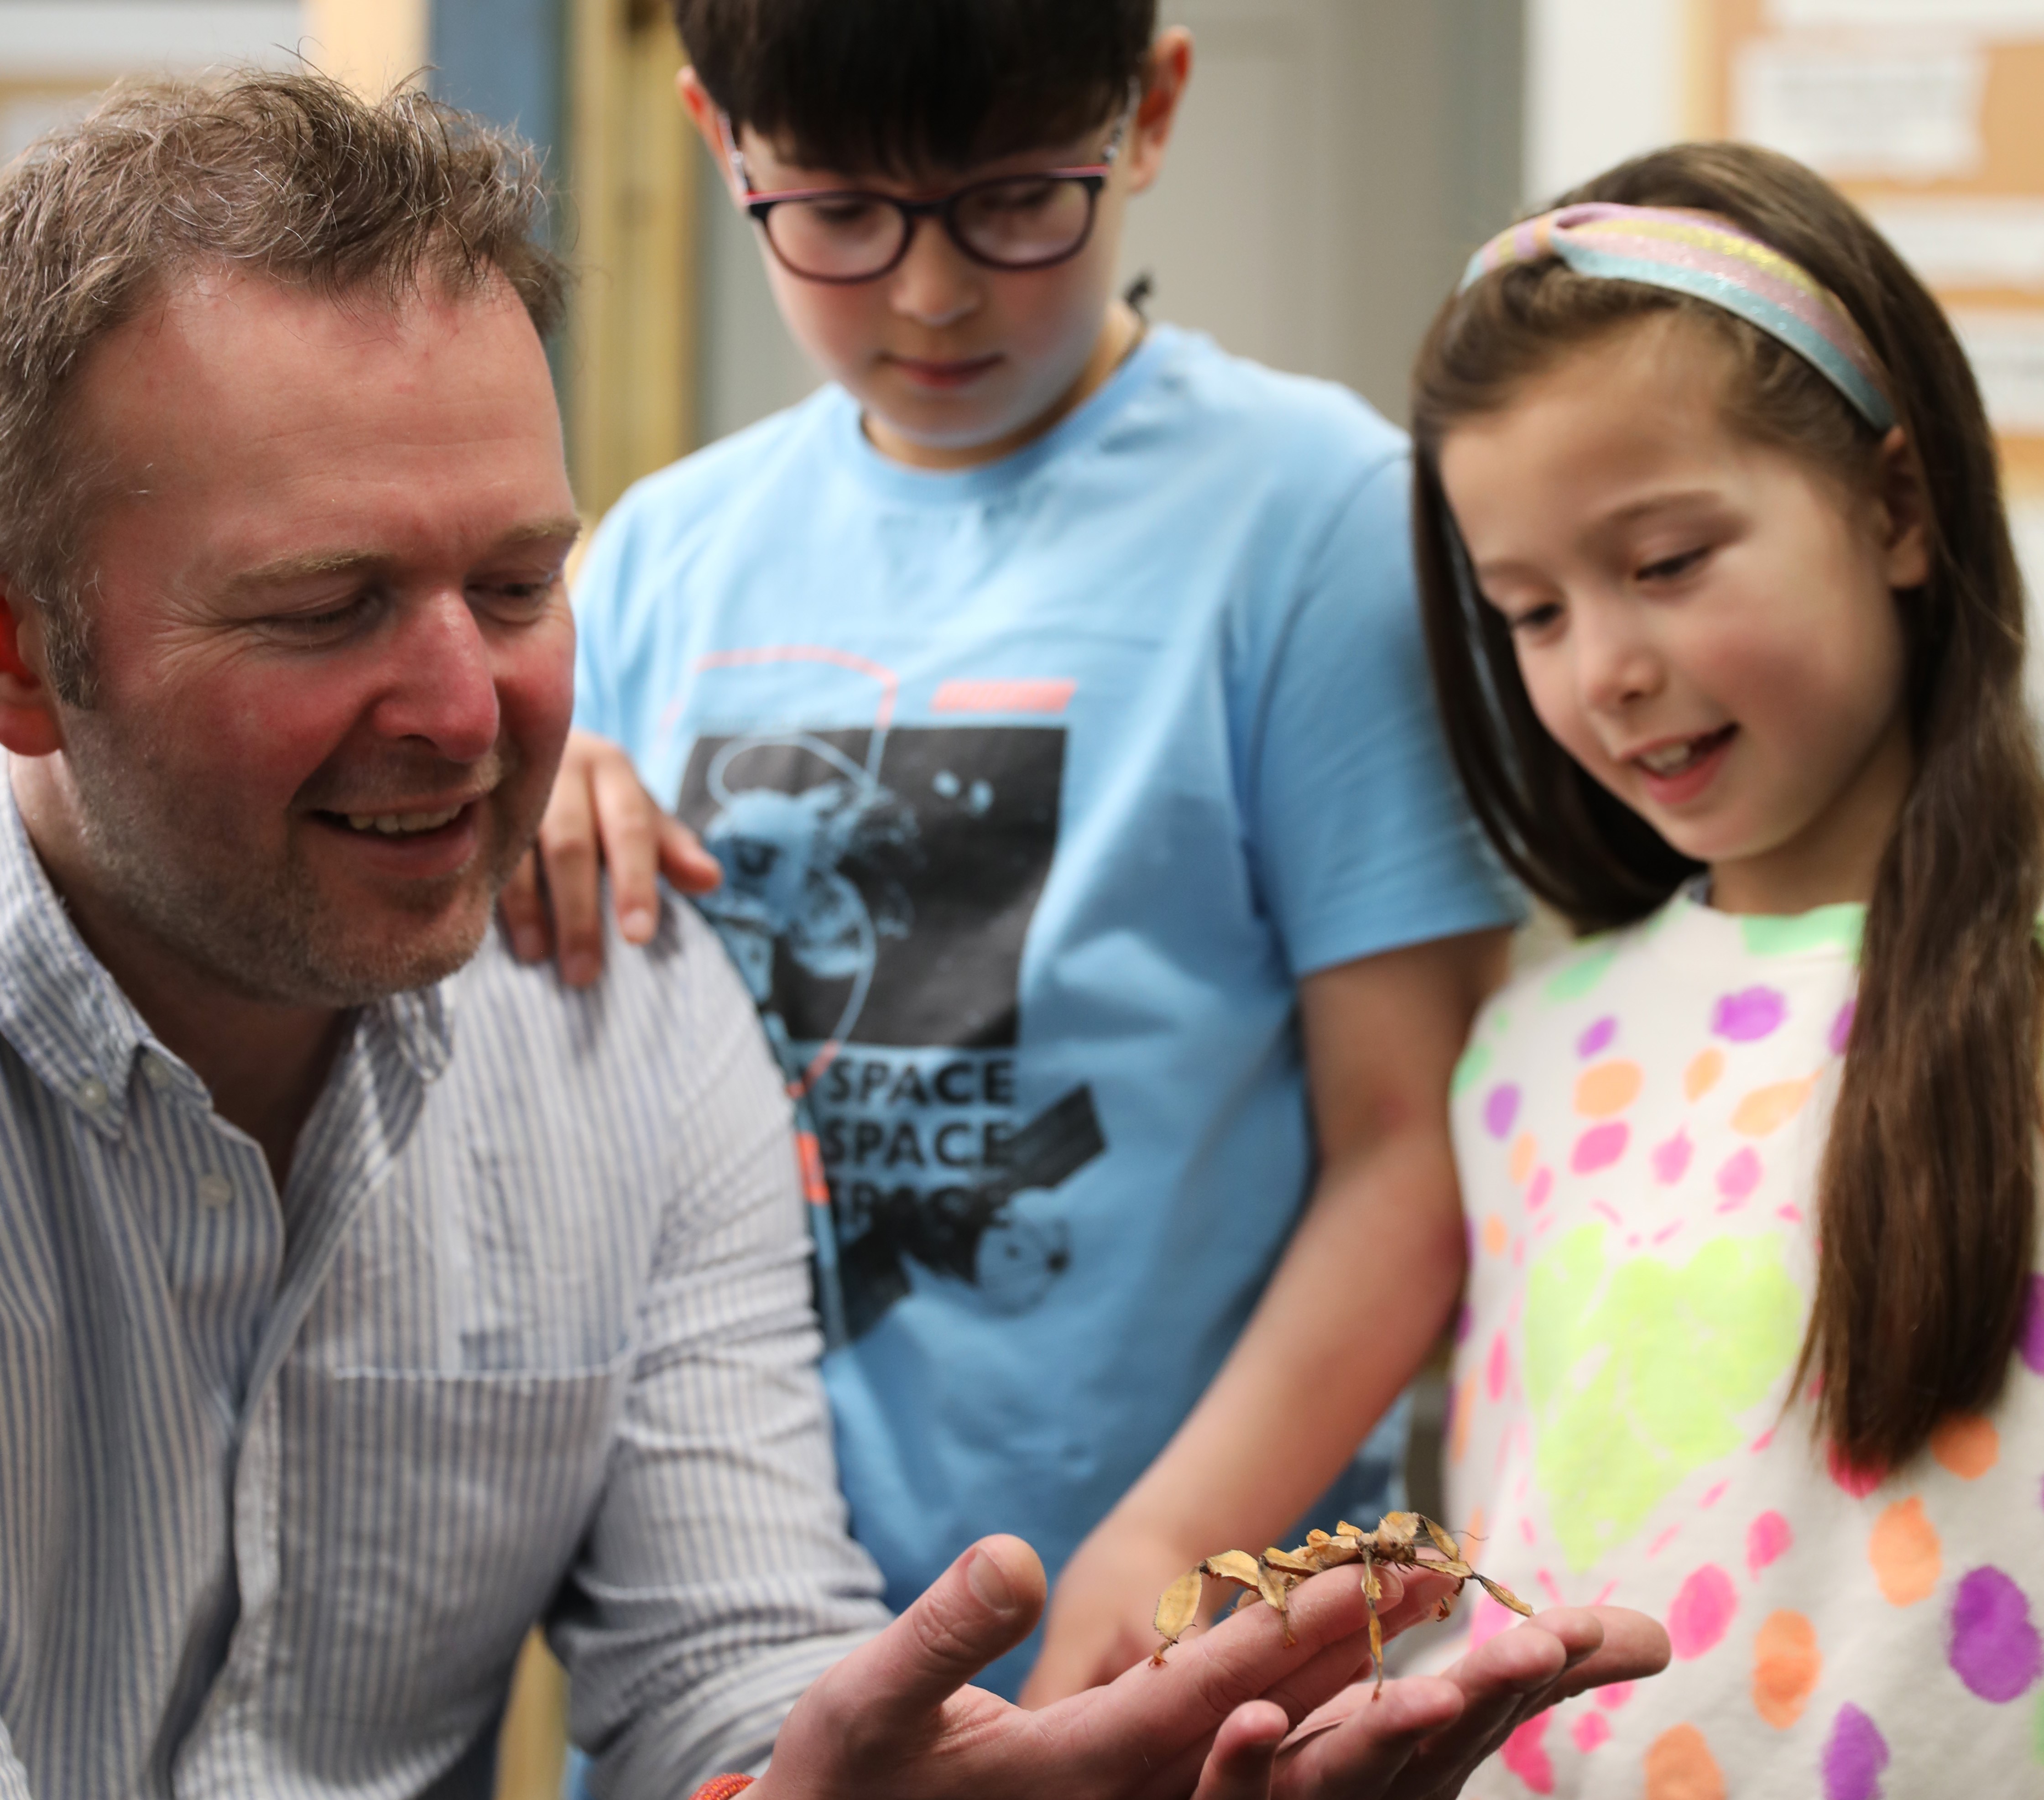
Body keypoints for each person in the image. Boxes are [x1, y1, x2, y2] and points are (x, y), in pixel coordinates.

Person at [0, 68, 1667, 1800]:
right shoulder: (685, 575)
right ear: (29, 656)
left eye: (513, 590)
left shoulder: (630, 1019)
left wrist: (856, 1772)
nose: (467, 716)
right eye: (324, 605)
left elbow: (723, 1666)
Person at [522, 0, 1518, 1702]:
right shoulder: (655, 560)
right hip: (736, 1678)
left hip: (1175, 1660)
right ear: (717, 139)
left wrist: (1160, 1558)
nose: (933, 291)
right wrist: (519, 816)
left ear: (1150, 112)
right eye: (839, 213)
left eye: (1012, 201)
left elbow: (1408, 1152)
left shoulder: (1322, 524)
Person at [1407, 141, 2044, 1795]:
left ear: (1897, 510)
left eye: (1668, 562)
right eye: (1530, 612)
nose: (1606, 668)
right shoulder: (1527, 1048)